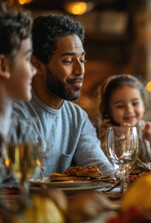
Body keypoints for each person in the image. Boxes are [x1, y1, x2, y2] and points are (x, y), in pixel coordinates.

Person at [12, 13, 115, 177]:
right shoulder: (13, 115)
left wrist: (124, 180)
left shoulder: (77, 118)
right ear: (37, 65)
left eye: (82, 60)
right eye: (68, 61)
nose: (80, 71)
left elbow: (100, 166)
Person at [0, 4, 36, 181]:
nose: (34, 70)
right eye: (28, 59)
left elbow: (30, 186)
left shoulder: (22, 129)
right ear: (3, 65)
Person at [97, 74, 151, 167]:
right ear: (108, 110)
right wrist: (121, 139)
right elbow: (106, 163)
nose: (129, 110)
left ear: (144, 105)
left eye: (135, 103)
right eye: (120, 106)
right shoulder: (107, 133)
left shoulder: (149, 130)